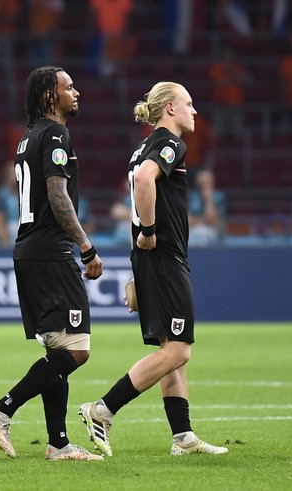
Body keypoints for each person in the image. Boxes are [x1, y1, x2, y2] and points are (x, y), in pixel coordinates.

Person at [79, 82, 228, 457]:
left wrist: (139, 256)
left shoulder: (140, 148)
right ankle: (102, 409)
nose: (195, 111)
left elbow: (140, 183)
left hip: (150, 259)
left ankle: (183, 437)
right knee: (179, 350)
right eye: (189, 104)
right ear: (170, 109)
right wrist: (148, 232)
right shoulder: (169, 143)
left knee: (169, 347)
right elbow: (146, 180)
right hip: (163, 256)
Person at [0, 66, 104, 461]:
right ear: (51, 96)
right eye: (69, 87)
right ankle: (4, 407)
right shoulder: (55, 133)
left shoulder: (27, 138)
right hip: (51, 251)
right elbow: (57, 192)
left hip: (29, 250)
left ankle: (59, 443)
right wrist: (85, 245)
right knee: (78, 350)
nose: (77, 92)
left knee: (60, 348)